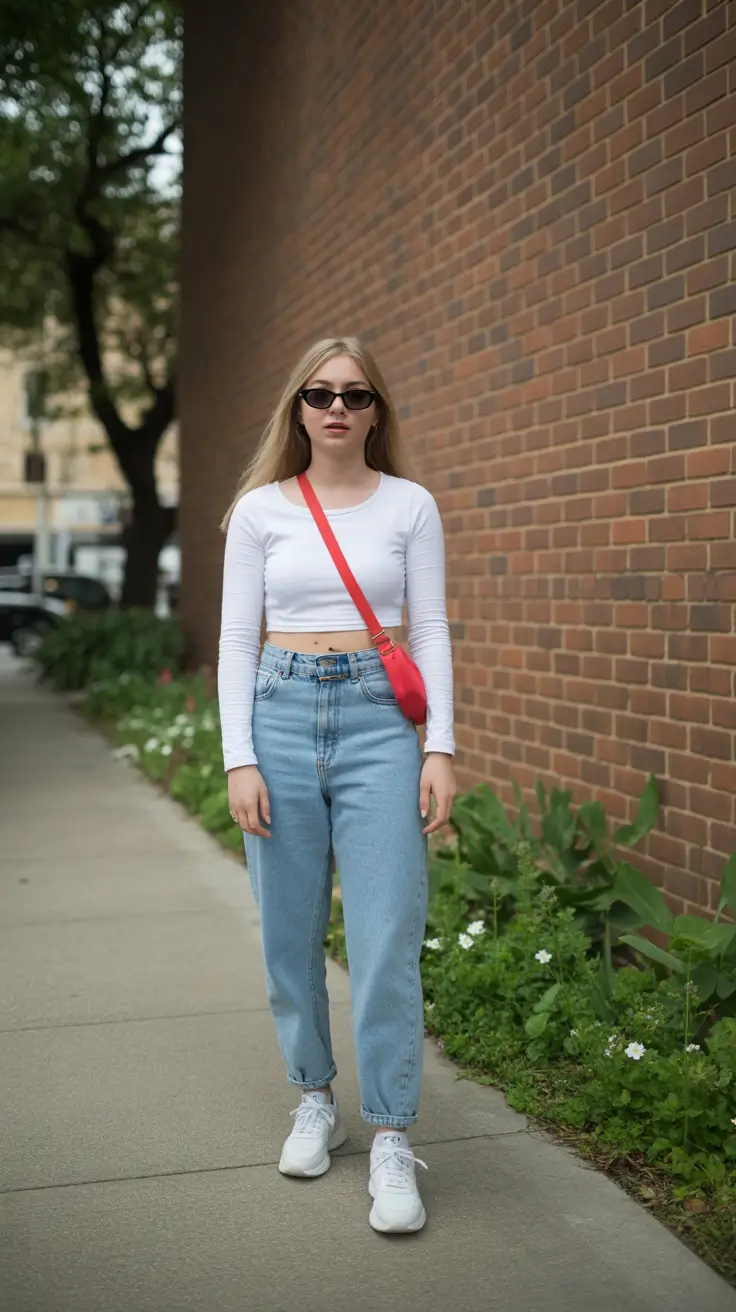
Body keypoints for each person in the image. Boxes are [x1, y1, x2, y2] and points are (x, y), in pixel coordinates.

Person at [218, 336, 456, 1233]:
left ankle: (391, 1135)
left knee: (388, 933)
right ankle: (314, 1099)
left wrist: (441, 745)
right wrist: (239, 755)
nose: (337, 409)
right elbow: (239, 641)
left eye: (355, 396)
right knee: (288, 932)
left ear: (376, 411)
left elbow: (428, 629)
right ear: (298, 408)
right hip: (278, 714)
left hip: (377, 723)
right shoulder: (259, 512)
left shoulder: (411, 506)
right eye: (319, 394)